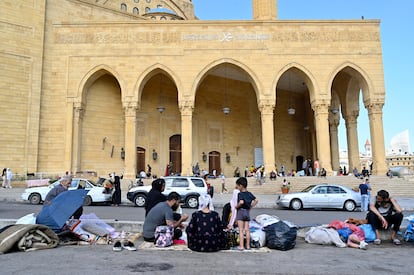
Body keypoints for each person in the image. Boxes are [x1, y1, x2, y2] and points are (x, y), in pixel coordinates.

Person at [235, 177, 258, 250]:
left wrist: (237, 206)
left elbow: (241, 202)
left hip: (241, 211)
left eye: (238, 186)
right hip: (247, 211)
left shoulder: (240, 194)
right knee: (247, 230)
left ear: (241, 186)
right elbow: (256, 200)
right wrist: (251, 207)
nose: (237, 187)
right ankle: (248, 246)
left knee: (241, 230)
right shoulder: (249, 194)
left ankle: (241, 246)